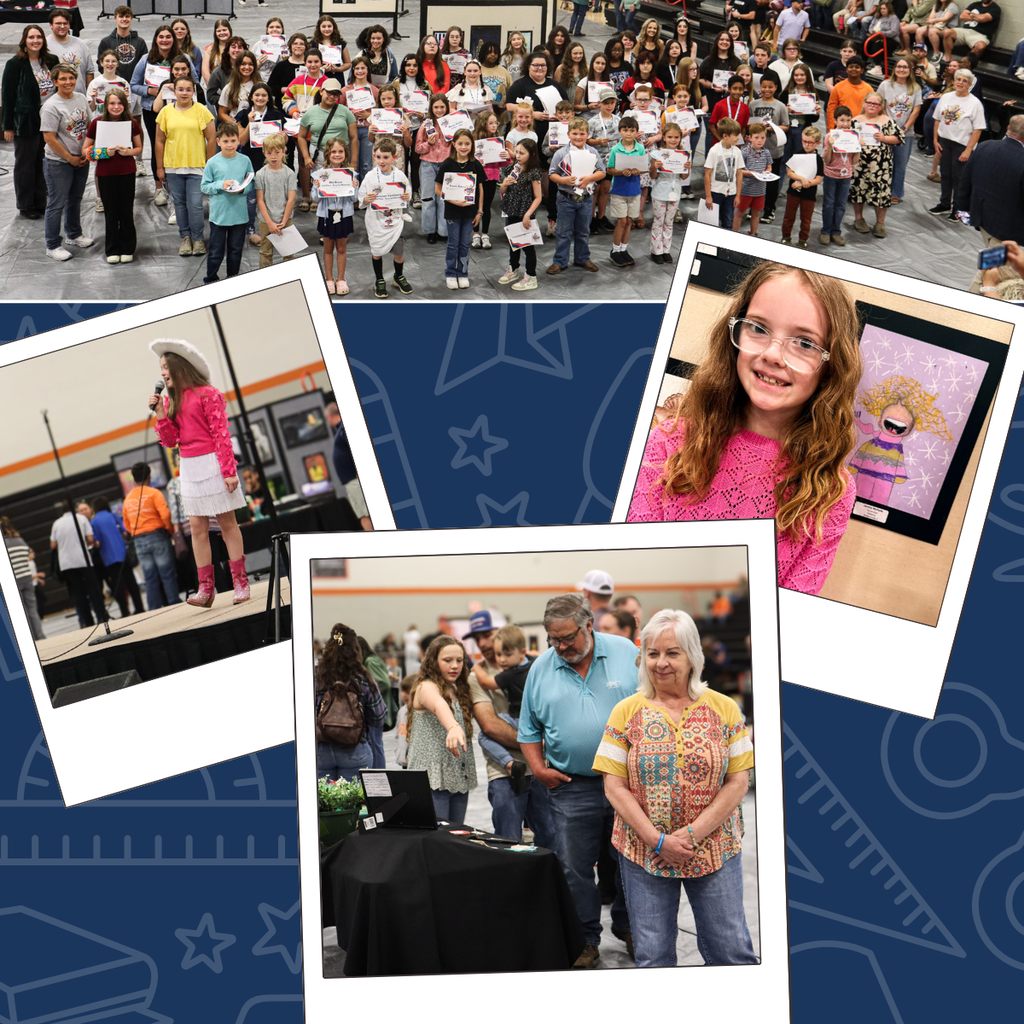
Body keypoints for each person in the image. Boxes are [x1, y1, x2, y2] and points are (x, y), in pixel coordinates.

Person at [626, 261, 863, 595]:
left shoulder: (832, 491)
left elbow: (789, 611)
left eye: (805, 344)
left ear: (832, 365)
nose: (772, 355)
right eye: (759, 328)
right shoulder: (668, 443)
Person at [593, 609, 756, 968]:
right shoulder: (625, 712)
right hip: (643, 851)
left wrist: (692, 834)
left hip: (715, 848)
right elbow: (614, 785)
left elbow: (738, 781)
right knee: (653, 956)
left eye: (672, 653)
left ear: (692, 656)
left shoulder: (725, 709)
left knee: (731, 950)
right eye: (653, 653)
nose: (661, 663)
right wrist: (658, 840)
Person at [517, 593, 638, 969]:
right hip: (571, 786)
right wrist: (538, 768)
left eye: (568, 637)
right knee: (574, 867)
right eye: (554, 639)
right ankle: (586, 938)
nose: (561, 646)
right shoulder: (541, 667)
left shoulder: (626, 652)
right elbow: (528, 728)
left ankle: (632, 928)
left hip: (629, 784)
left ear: (589, 625)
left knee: (630, 862)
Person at [150, 338, 249, 606]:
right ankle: (206, 588)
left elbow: (221, 435)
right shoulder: (171, 401)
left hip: (214, 462)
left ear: (179, 367)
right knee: (196, 527)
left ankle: (240, 582)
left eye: (165, 367)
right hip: (190, 466)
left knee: (227, 523)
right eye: (160, 367)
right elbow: (171, 441)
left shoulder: (208, 394)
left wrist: (229, 471)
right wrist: (160, 413)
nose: (162, 373)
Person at [407, 634, 478, 822]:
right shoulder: (425, 687)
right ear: (433, 661)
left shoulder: (456, 689)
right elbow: (439, 705)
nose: (454, 665)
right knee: (438, 841)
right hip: (432, 781)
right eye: (447, 660)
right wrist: (453, 726)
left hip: (457, 777)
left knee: (455, 836)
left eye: (459, 660)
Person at [316, 624, 386, 784]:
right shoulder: (363, 678)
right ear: (355, 650)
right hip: (355, 750)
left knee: (324, 804)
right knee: (354, 804)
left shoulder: (315, 676)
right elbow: (379, 717)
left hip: (321, 750)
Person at [2, 25, 59, 220]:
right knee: (25, 165)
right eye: (31, 37)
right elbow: (7, 96)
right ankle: (26, 205)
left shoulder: (52, 61)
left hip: (49, 121)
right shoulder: (15, 64)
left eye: (39, 37)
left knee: (43, 163)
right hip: (25, 122)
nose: (35, 40)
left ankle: (40, 202)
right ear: (24, 41)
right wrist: (7, 126)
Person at [156, 74, 214, 257]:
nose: (184, 93)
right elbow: (159, 141)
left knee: (196, 204)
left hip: (196, 167)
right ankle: (185, 238)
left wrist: (211, 165)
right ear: (174, 91)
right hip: (173, 167)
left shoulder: (202, 111)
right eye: (180, 89)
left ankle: (198, 239)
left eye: (188, 89)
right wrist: (160, 167)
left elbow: (211, 138)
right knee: (179, 204)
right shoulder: (165, 112)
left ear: (193, 91)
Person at [40, 64, 93, 262]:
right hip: (58, 163)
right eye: (63, 79)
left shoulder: (80, 98)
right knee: (56, 203)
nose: (68, 82)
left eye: (71, 78)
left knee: (76, 198)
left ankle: (74, 234)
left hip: (81, 159)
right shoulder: (51, 106)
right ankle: (52, 244)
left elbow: (89, 125)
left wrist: (87, 151)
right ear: (55, 82)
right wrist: (69, 157)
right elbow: (49, 138)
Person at [131, 25, 189, 207]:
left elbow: (193, 82)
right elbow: (134, 84)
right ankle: (159, 187)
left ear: (174, 39)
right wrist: (152, 90)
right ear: (156, 39)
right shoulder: (146, 60)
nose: (165, 40)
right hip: (153, 110)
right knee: (159, 147)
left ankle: (180, 185)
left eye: (168, 36)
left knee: (179, 145)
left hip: (181, 110)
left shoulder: (183, 59)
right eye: (161, 36)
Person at [85, 87, 142, 264]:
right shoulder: (97, 123)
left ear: (124, 105)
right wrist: (102, 153)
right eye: (112, 103)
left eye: (119, 103)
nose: (116, 107)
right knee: (110, 212)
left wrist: (128, 152)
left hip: (126, 172)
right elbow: (86, 150)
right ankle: (112, 249)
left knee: (126, 211)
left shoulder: (132, 123)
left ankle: (127, 247)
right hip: (105, 174)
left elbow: (139, 148)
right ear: (106, 105)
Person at [546, 117, 605, 276]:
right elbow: (552, 174)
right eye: (575, 133)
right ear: (568, 134)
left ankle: (582, 258)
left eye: (582, 133)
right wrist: (563, 180)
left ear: (588, 134)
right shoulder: (561, 153)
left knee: (583, 230)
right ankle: (560, 261)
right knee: (563, 232)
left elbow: (602, 171)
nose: (578, 137)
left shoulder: (592, 152)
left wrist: (589, 179)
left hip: (586, 199)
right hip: (566, 198)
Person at [958, 114, 1024, 252]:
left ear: (1008, 128)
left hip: (983, 218)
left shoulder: (984, 146)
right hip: (1009, 230)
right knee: (998, 268)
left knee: (993, 265)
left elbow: (965, 180)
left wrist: (962, 209)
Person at [358, 136, 414, 298]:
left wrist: (406, 197)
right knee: (376, 251)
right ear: (374, 156)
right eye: (378, 157)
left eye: (386, 157)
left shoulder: (400, 176)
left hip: (395, 221)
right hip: (376, 221)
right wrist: (366, 200)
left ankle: (398, 276)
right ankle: (379, 279)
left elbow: (407, 193)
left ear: (394, 158)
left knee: (399, 252)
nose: (382, 161)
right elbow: (361, 197)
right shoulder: (369, 177)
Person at [201, 122, 255, 284]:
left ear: (238, 141)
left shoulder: (245, 161)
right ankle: (211, 279)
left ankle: (232, 279)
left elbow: (251, 182)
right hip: (219, 217)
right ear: (218, 142)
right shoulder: (212, 162)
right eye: (225, 141)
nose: (229, 145)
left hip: (239, 216)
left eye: (232, 141)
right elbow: (204, 186)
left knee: (235, 250)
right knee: (216, 251)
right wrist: (220, 185)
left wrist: (243, 190)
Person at [121, 463, 180, 609]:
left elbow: (126, 523)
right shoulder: (154, 493)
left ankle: (153, 609)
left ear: (134, 480)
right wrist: (171, 531)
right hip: (158, 536)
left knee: (149, 577)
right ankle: (174, 604)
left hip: (139, 540)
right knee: (167, 573)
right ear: (149, 477)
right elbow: (165, 515)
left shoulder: (128, 499)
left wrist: (136, 532)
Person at [930, 68, 985, 221]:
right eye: (958, 79)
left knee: (959, 178)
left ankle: (958, 209)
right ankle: (944, 203)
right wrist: (935, 140)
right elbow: (937, 120)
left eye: (964, 81)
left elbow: (978, 129)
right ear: (953, 81)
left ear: (970, 84)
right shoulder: (946, 97)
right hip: (945, 142)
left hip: (961, 145)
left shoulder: (975, 103)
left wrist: (968, 150)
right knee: (946, 174)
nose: (961, 82)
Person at [296, 77, 357, 213]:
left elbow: (354, 138)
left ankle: (340, 209)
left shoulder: (345, 111)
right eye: (329, 93)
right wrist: (306, 157)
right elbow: (301, 136)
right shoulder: (310, 112)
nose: (332, 96)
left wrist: (353, 162)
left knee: (339, 184)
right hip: (319, 153)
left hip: (341, 155)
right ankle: (320, 206)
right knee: (321, 183)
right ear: (321, 91)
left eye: (335, 94)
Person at [435, 128, 485, 289]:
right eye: (460, 143)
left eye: (467, 144)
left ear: (472, 145)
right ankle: (450, 273)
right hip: (453, 211)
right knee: (453, 243)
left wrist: (479, 211)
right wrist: (454, 201)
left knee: (465, 243)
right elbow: (438, 188)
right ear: (454, 144)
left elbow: (481, 190)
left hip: (470, 212)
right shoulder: (447, 164)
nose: (464, 147)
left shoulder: (475, 164)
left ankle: (463, 272)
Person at [497, 137, 544, 291]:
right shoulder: (512, 168)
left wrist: (528, 215)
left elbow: (538, 197)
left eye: (522, 153)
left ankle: (531, 276)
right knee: (513, 243)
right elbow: (503, 191)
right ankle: (513, 268)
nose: (518, 155)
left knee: (528, 246)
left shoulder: (534, 173)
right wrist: (505, 184)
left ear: (531, 155)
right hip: (511, 210)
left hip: (525, 213)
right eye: (516, 152)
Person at [310, 135, 354, 293]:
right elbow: (315, 198)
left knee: (342, 249)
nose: (337, 154)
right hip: (326, 215)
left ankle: (341, 279)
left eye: (340, 151)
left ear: (345, 154)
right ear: (327, 154)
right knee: (328, 248)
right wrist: (316, 187)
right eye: (333, 151)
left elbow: (354, 198)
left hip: (345, 215)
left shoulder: (351, 174)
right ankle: (329, 279)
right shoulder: (320, 174)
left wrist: (354, 186)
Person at [50, 505, 107, 627]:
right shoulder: (81, 519)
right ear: (74, 509)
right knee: (93, 591)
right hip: (83, 560)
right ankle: (101, 617)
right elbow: (90, 538)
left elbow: (53, 545)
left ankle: (87, 621)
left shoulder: (57, 523)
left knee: (78, 594)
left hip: (66, 563)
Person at [88, 496, 144, 618]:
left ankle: (124, 611)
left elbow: (96, 542)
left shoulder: (93, 522)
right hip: (123, 554)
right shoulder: (114, 516)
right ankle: (139, 607)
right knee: (131, 583)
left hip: (108, 558)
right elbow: (125, 532)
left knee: (118, 586)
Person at [878, 58, 922, 203]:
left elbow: (916, 110)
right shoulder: (885, 85)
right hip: (886, 131)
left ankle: (896, 193)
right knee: (883, 162)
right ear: (894, 69)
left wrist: (904, 128)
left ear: (910, 70)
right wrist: (890, 127)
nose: (901, 69)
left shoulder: (915, 88)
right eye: (898, 66)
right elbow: (881, 106)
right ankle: (880, 189)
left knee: (900, 164)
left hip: (906, 133)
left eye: (905, 67)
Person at [505, 52, 567, 150]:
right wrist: (533, 114)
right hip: (529, 130)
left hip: (553, 132)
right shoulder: (520, 85)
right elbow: (509, 106)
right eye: (535, 65)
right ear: (528, 66)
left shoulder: (554, 85)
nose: (540, 68)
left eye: (543, 65)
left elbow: (566, 105)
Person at [749, 75, 789, 223]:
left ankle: (769, 208)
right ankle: (753, 207)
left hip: (774, 150)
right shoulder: (754, 104)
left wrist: (773, 127)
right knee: (754, 179)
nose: (767, 90)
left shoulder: (780, 106)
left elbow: (786, 125)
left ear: (776, 88)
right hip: (756, 150)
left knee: (771, 181)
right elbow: (749, 124)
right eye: (764, 86)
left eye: (770, 87)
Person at [254, 131, 297, 270]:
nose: (273, 156)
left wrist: (284, 221)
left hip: (286, 219)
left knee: (289, 253)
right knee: (265, 252)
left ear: (284, 151)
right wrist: (270, 222)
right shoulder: (260, 174)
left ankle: (290, 280)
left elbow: (291, 199)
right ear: (264, 153)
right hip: (266, 221)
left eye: (277, 152)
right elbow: (260, 200)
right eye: (269, 153)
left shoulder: (289, 174)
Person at [415, 93, 453, 244]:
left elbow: (461, 146)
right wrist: (428, 144)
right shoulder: (426, 125)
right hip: (428, 165)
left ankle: (443, 231)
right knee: (428, 198)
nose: (439, 110)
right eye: (436, 107)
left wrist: (454, 142)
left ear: (447, 107)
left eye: (442, 107)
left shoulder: (452, 125)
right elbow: (418, 148)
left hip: (446, 165)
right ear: (431, 108)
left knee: (444, 199)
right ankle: (430, 231)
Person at [606, 115, 644, 266]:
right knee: (621, 221)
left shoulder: (640, 148)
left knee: (629, 221)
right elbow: (610, 169)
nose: (628, 133)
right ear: (620, 131)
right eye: (625, 130)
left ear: (637, 132)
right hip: (619, 190)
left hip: (634, 190)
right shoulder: (616, 149)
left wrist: (637, 171)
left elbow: (643, 168)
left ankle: (623, 248)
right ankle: (615, 250)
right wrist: (621, 172)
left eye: (632, 130)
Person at [820, 105, 861, 244]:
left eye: (848, 120)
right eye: (842, 120)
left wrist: (859, 148)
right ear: (835, 120)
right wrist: (831, 146)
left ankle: (836, 231)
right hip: (831, 175)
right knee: (828, 204)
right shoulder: (829, 136)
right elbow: (826, 160)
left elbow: (854, 161)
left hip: (846, 176)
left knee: (841, 205)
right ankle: (825, 231)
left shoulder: (853, 137)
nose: (845, 124)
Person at [649, 122, 688, 263]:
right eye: (670, 137)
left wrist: (687, 168)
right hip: (660, 191)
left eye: (676, 137)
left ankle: (666, 249)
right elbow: (652, 176)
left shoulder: (683, 155)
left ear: (680, 138)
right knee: (659, 221)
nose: (673, 140)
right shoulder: (657, 154)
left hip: (675, 191)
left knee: (669, 222)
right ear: (664, 137)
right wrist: (655, 166)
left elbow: (684, 177)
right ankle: (656, 250)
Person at [2, 517, 46, 640]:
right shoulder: (20, 540)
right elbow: (29, 554)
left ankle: (29, 638)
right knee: (32, 609)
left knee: (20, 611)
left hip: (13, 580)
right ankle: (40, 636)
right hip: (27, 577)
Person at [781, 126, 824, 247]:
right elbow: (789, 172)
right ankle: (786, 237)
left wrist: (803, 183)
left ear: (817, 143)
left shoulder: (818, 159)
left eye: (810, 142)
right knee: (789, 217)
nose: (807, 145)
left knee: (806, 220)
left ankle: (803, 240)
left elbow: (818, 179)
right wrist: (802, 179)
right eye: (804, 141)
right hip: (793, 192)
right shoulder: (797, 154)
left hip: (809, 195)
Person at [704, 117, 745, 230]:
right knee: (713, 223)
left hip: (730, 193)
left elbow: (739, 173)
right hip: (716, 192)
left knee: (727, 223)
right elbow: (707, 174)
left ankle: (724, 247)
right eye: (736, 135)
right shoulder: (714, 151)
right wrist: (708, 196)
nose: (738, 138)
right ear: (725, 136)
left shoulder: (737, 151)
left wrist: (737, 194)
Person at [734, 121, 772, 236]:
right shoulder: (744, 152)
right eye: (756, 137)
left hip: (760, 189)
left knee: (756, 213)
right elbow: (738, 170)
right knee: (740, 212)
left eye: (762, 137)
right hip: (746, 189)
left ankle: (753, 233)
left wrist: (767, 172)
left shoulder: (766, 153)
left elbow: (769, 167)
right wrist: (751, 173)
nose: (760, 140)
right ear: (749, 138)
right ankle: (734, 233)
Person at [98, 6, 147, 91]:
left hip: (133, 88)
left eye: (127, 16)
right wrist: (113, 79)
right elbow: (101, 65)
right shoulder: (106, 42)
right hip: (112, 86)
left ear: (131, 19)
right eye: (121, 16)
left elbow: (145, 66)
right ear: (115, 19)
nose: (124, 19)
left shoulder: (140, 42)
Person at [46, 10, 94, 96]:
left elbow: (89, 71)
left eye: (65, 23)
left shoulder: (80, 44)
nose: (62, 26)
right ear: (50, 25)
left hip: (79, 98)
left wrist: (89, 96)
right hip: (55, 100)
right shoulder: (45, 46)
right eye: (58, 23)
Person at [827, 56, 871, 127]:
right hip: (841, 126)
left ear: (862, 70)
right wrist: (831, 128)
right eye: (851, 67)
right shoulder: (838, 87)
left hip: (860, 126)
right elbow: (831, 109)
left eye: (857, 67)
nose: (854, 69)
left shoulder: (868, 89)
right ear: (846, 69)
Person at [312, 15, 350, 79]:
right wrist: (321, 69)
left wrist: (337, 69)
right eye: (324, 27)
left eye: (329, 26)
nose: (327, 29)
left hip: (336, 77)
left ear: (334, 27)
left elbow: (348, 63)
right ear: (319, 28)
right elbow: (307, 63)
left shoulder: (340, 43)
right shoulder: (313, 44)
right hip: (318, 77)